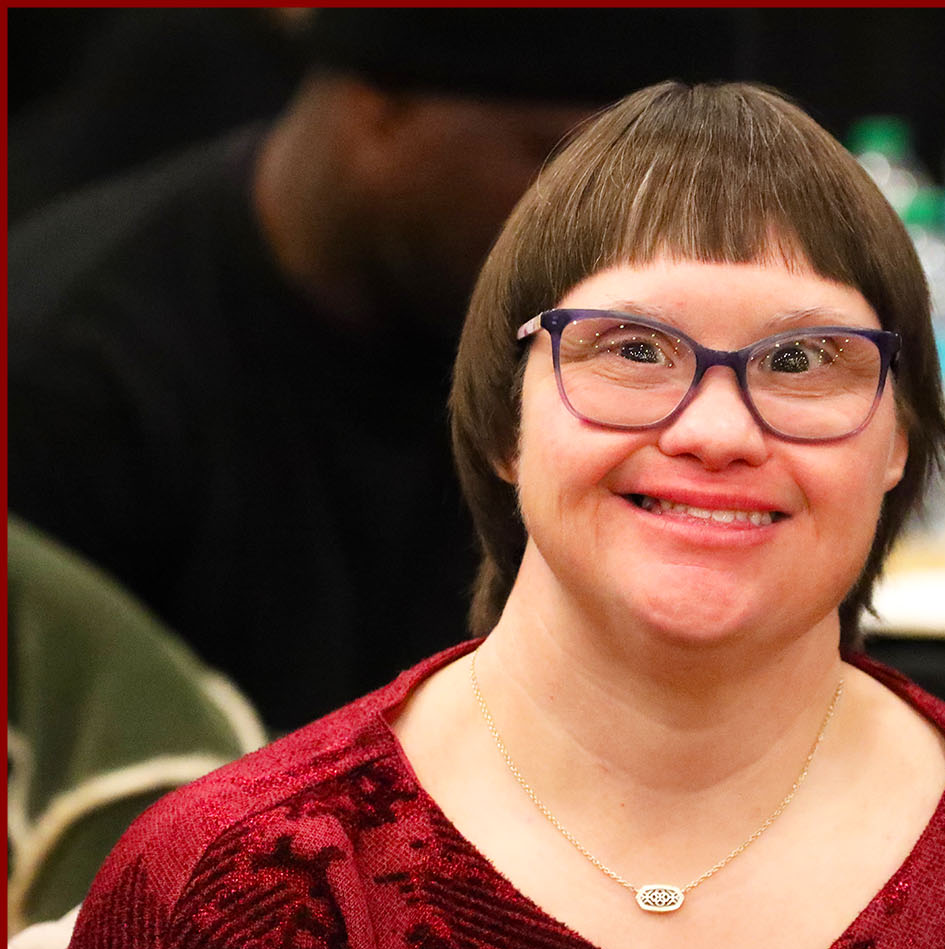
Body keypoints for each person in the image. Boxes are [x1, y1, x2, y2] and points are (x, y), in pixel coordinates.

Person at [53, 81, 945, 949]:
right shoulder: (240, 885)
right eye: (633, 349)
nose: (720, 428)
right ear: (505, 423)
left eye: (802, 360)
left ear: (900, 444)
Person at [8, 9, 748, 732]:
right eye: (549, 158)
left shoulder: (552, 333)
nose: (606, 229)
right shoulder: (73, 375)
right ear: (380, 106)